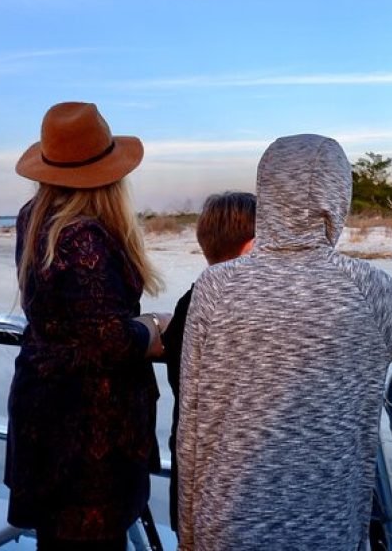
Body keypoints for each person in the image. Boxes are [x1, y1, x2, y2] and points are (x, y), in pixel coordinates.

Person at [176, 134, 392, 550]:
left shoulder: (215, 285)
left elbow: (192, 420)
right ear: (337, 200)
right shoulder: (365, 286)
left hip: (226, 521)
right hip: (325, 526)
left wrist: (189, 535)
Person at [5, 101, 171, 550]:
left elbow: (72, 323)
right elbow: (108, 341)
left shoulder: (35, 217)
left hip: (45, 409)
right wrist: (154, 326)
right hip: (87, 431)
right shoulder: (84, 236)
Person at [160, 191, 256, 533]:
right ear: (252, 245)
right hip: (235, 495)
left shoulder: (193, 300)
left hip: (192, 487)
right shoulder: (244, 310)